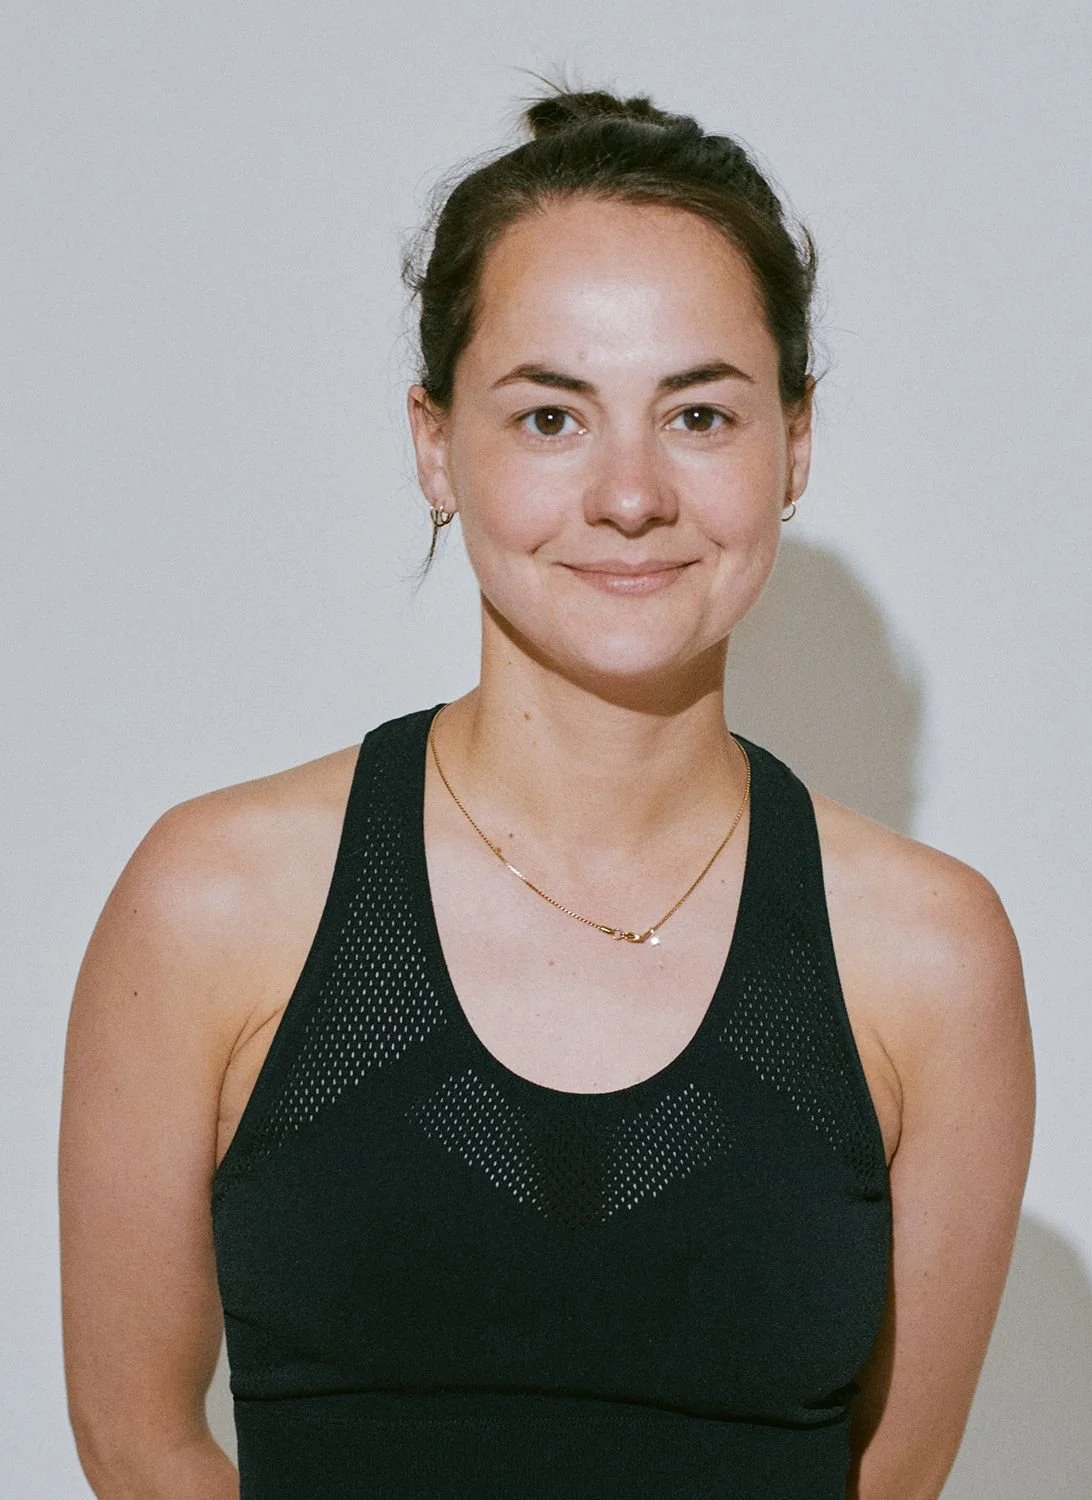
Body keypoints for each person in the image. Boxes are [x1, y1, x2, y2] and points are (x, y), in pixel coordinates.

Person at [59, 88, 1035, 1499]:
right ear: (435, 444)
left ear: (793, 446)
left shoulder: (930, 957)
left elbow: (891, 1478)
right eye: (549, 416)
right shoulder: (216, 900)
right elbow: (135, 1444)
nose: (630, 493)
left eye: (698, 412)